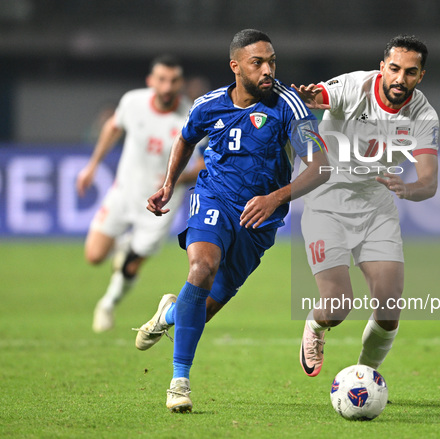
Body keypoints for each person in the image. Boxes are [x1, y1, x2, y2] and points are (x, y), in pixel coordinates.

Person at [133, 29, 329, 413]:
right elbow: (186, 138)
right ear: (236, 66)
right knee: (202, 267)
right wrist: (169, 184)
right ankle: (179, 381)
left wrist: (275, 198)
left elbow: (321, 167)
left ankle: (170, 313)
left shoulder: (289, 105)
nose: (268, 69)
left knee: (201, 307)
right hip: (214, 199)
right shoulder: (208, 105)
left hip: (259, 222)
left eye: (272, 60)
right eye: (258, 62)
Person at [292, 34, 439, 377]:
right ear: (382, 67)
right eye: (394, 68)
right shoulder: (354, 87)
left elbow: (429, 182)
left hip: (376, 207)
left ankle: (365, 377)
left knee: (389, 310)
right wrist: (312, 99)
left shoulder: (423, 115)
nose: (400, 78)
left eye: (410, 72)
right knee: (338, 306)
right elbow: (322, 95)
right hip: (326, 201)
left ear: (421, 76)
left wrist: (410, 187)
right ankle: (314, 327)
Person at [76, 55, 204, 333]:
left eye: (173, 80)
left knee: (132, 265)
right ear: (151, 81)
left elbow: (204, 163)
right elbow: (112, 129)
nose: (167, 86)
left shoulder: (192, 116)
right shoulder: (132, 102)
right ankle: (125, 247)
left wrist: (175, 180)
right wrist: (92, 166)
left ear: (180, 83)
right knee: (94, 256)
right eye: (162, 79)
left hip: (161, 205)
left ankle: (108, 304)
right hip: (125, 193)